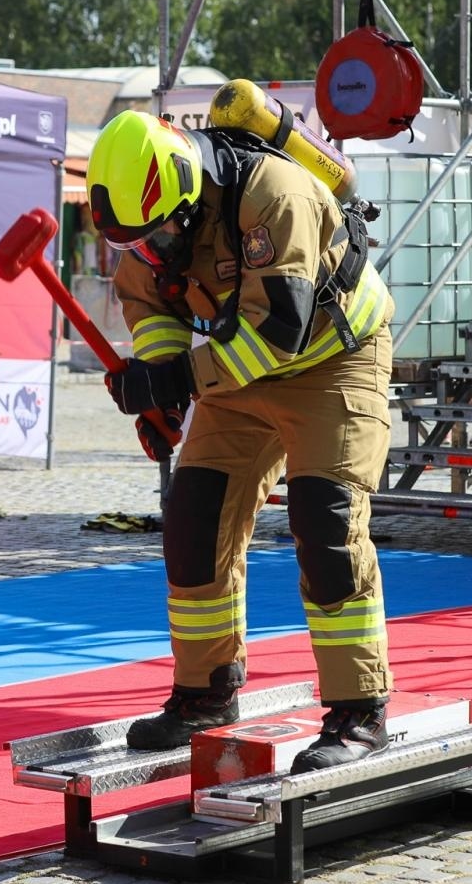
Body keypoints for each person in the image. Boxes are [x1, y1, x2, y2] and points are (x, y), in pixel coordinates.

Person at [87, 111, 396, 773]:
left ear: (188, 194)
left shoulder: (273, 194)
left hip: (332, 359)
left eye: (158, 236)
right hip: (238, 370)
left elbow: (280, 331)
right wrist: (162, 391)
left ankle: (359, 711)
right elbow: (150, 304)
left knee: (327, 523)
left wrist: (177, 378)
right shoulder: (148, 229)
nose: (152, 251)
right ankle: (206, 692)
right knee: (195, 520)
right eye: (137, 243)